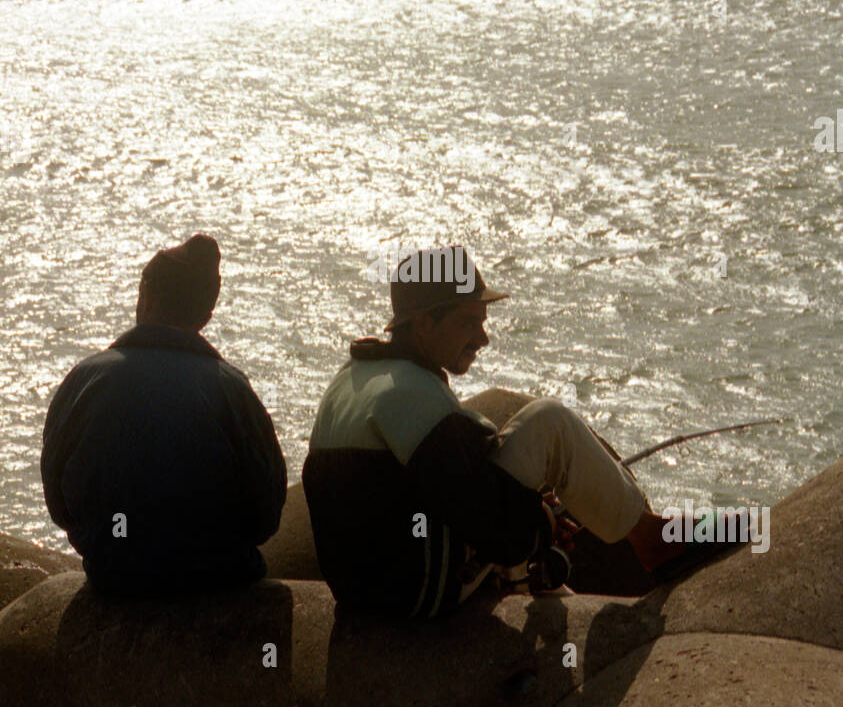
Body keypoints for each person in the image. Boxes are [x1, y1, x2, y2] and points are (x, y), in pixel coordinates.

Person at [302, 245, 697, 621]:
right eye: (468, 322)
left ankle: (545, 577)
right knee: (550, 422)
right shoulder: (416, 398)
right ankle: (653, 540)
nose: (483, 338)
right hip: (417, 595)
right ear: (424, 324)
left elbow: (428, 490)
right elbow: (495, 532)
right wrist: (542, 524)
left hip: (363, 592)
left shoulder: (354, 378)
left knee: (499, 485)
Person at [41, 234, 286, 598]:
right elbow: (267, 511)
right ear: (206, 313)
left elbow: (58, 501)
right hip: (219, 577)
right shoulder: (232, 390)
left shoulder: (85, 379)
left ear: (147, 297)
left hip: (115, 574)